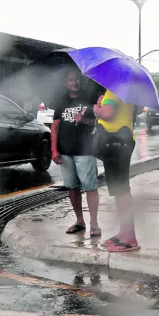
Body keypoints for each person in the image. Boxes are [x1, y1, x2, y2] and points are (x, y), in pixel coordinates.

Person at [51, 70, 101, 237]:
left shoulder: (89, 98)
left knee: (90, 187)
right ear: (66, 83)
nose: (74, 82)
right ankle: (80, 221)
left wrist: (84, 120)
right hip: (65, 152)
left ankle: (94, 223)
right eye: (71, 80)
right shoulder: (61, 101)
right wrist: (54, 149)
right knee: (72, 187)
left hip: (85, 150)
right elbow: (55, 126)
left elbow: (99, 121)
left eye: (77, 79)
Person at [93, 89, 140, 252]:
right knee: (119, 191)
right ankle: (124, 232)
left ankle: (130, 238)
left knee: (122, 191)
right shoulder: (121, 92)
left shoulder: (115, 91)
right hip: (118, 142)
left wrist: (96, 109)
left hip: (116, 143)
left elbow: (107, 113)